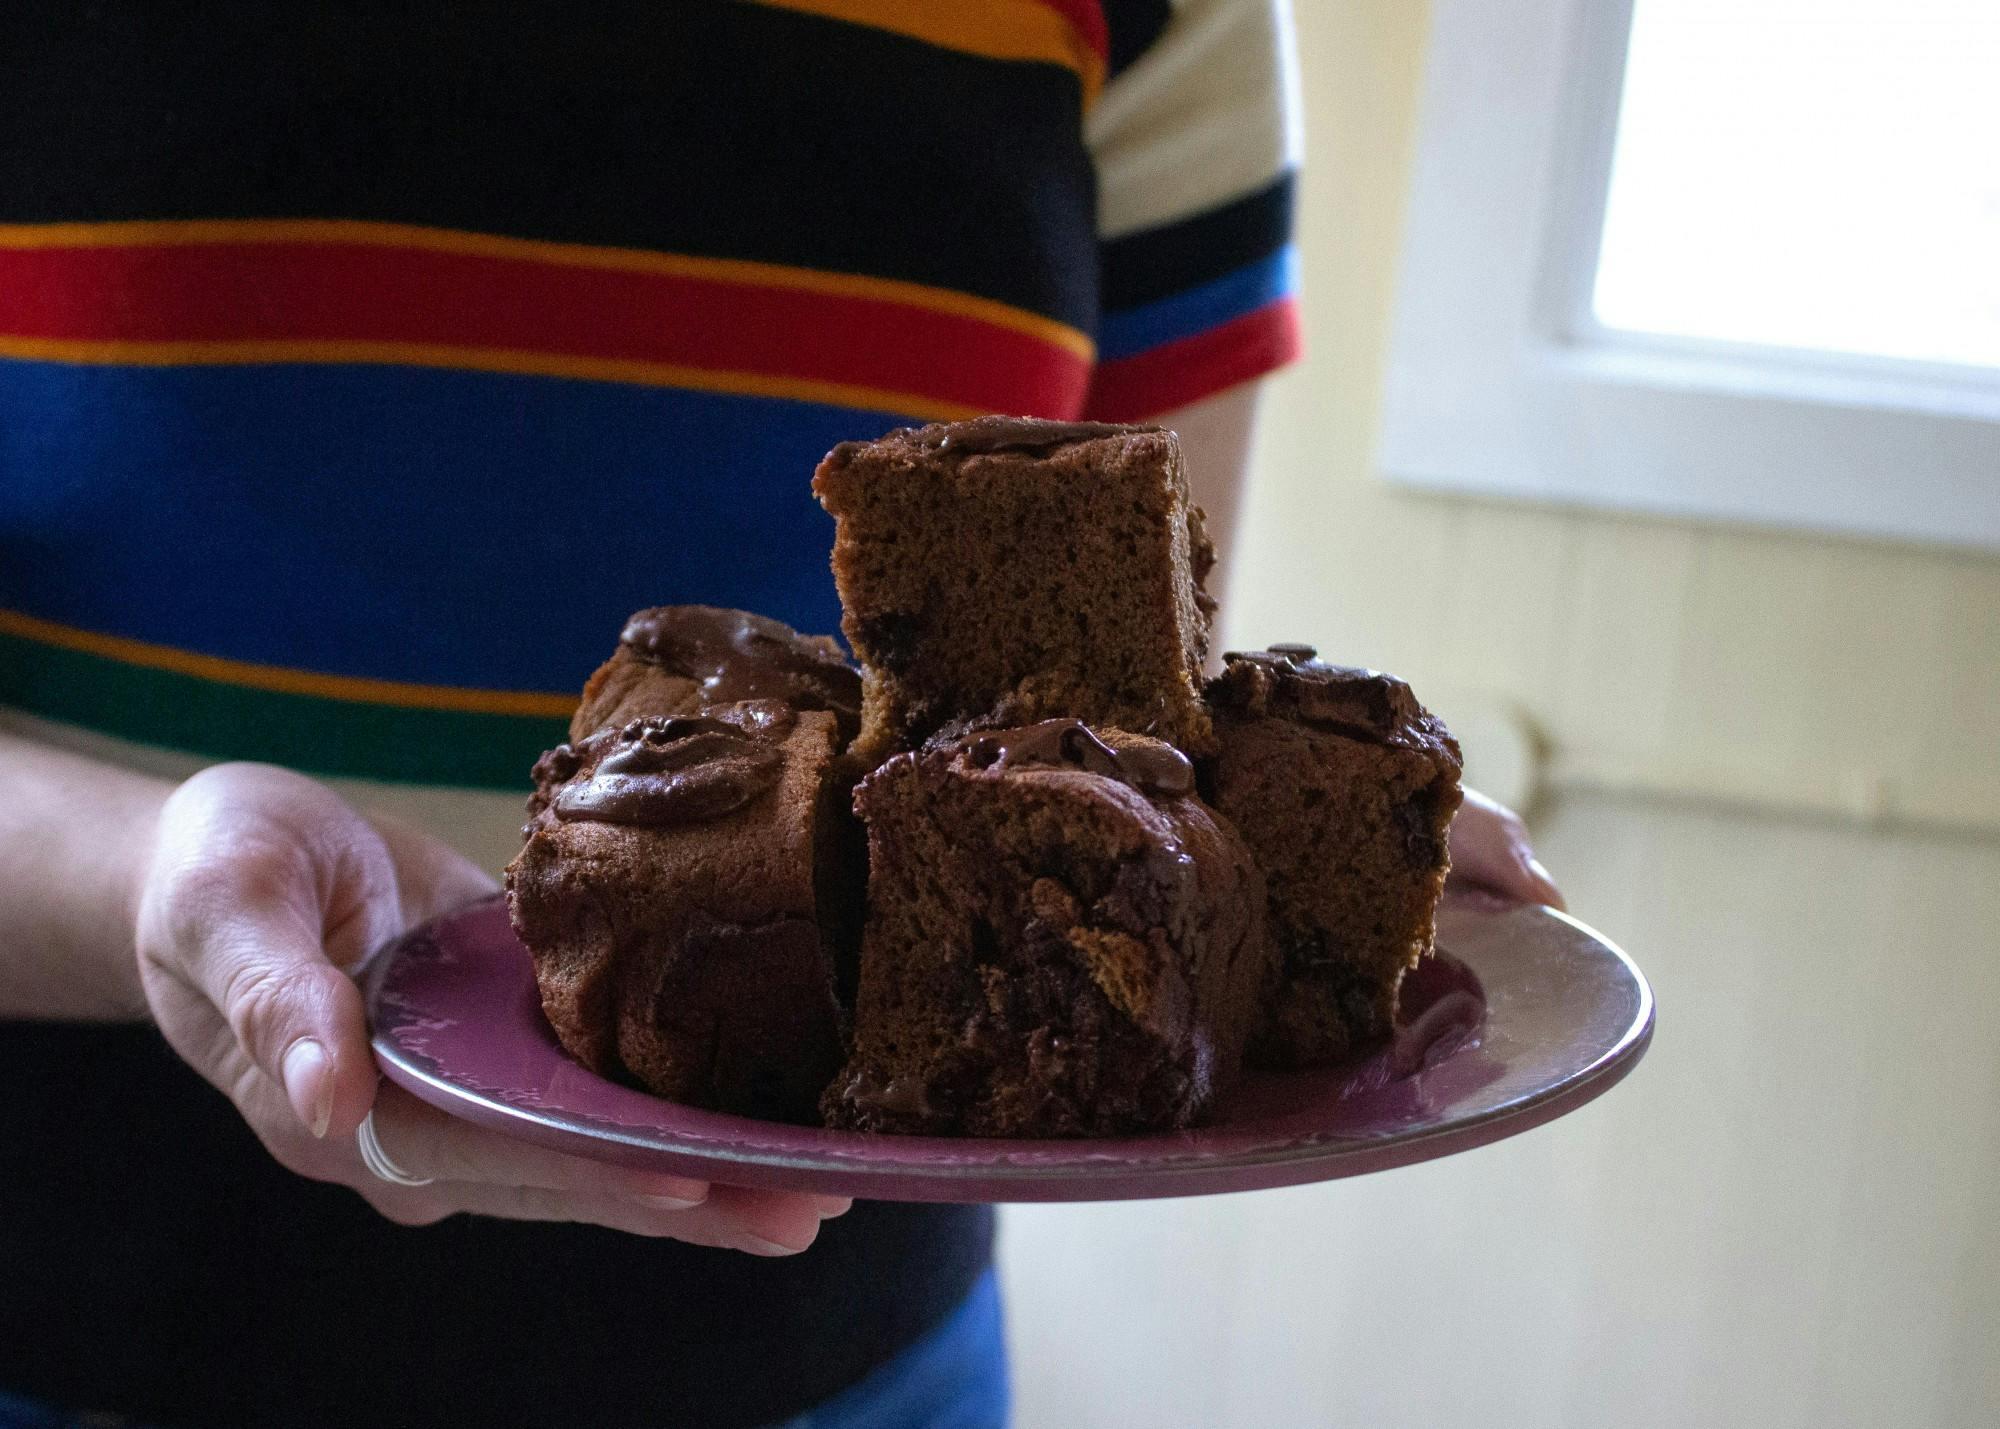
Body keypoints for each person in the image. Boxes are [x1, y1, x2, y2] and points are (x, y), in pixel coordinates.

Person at [0, 4, 1561, 1426]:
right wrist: (143, 871)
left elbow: (1142, 713)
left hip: (854, 1358)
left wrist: (1302, 843)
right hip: (86, 1316)